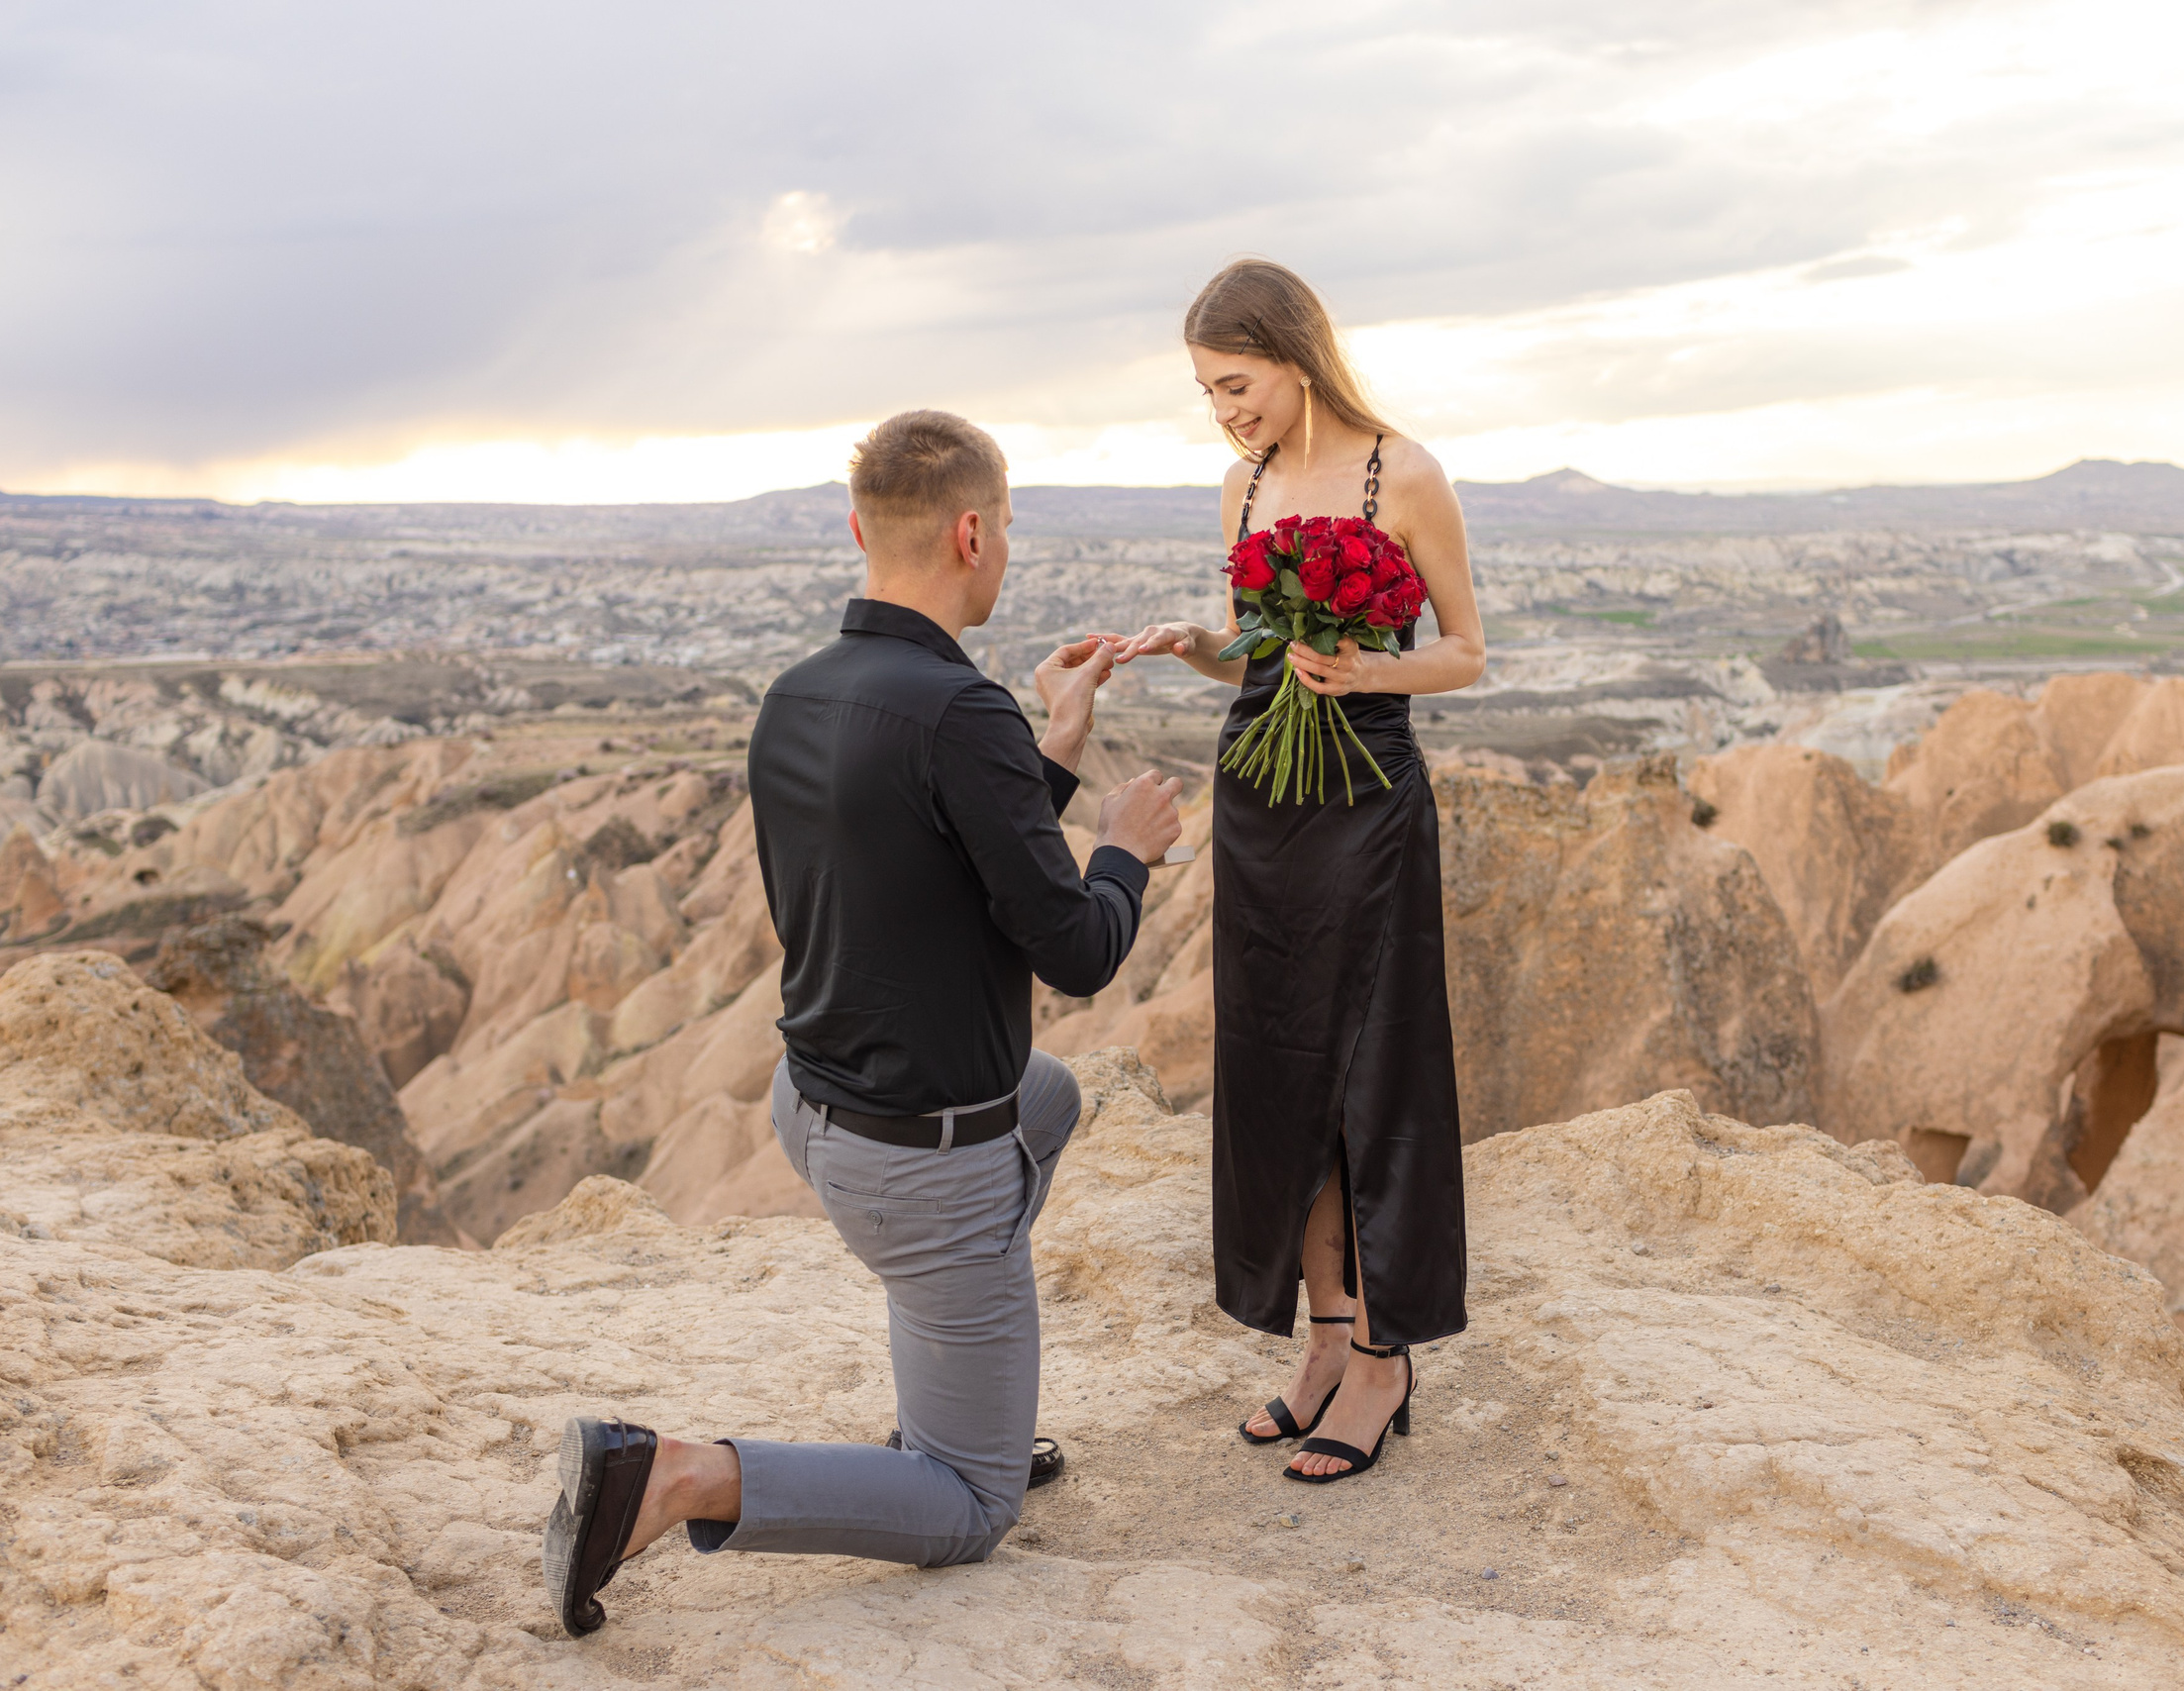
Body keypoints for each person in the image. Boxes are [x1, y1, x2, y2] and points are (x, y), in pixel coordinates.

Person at [544, 410, 1185, 1635]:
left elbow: (930, 858)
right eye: (1007, 530)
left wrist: (1053, 742)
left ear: (857, 530)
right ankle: (675, 1475)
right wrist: (1123, 851)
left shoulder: (799, 693)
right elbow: (1077, 949)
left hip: (816, 1104)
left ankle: (954, 1385)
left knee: (1049, 1097)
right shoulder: (959, 712)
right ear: (972, 533)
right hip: (918, 1159)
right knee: (973, 1505)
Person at [1105, 259, 1484, 1482]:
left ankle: (1383, 1357)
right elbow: (1256, 660)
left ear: (1294, 356)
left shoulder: (1403, 474)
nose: (1226, 412)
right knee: (1280, 1073)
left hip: (1369, 806)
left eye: (1237, 384)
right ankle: (1324, 1338)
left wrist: (1370, 671)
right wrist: (1199, 646)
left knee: (1373, 1073)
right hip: (1262, 804)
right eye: (1209, 394)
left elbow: (1465, 652)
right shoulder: (1244, 486)